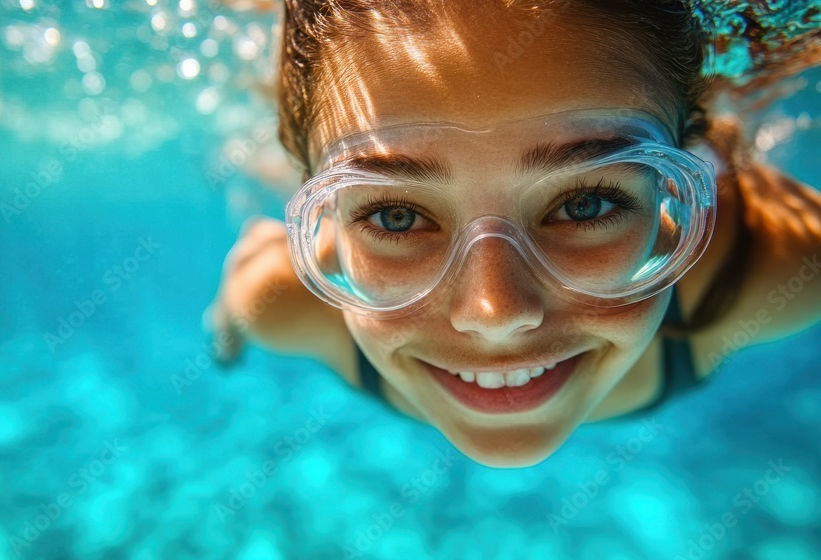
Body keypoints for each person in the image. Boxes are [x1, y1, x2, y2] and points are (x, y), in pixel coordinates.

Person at [205, 0, 821, 468]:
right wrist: (225, 334)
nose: (495, 314)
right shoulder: (276, 300)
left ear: (675, 198)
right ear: (323, 215)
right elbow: (233, 312)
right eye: (397, 215)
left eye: (585, 203)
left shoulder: (781, 268)